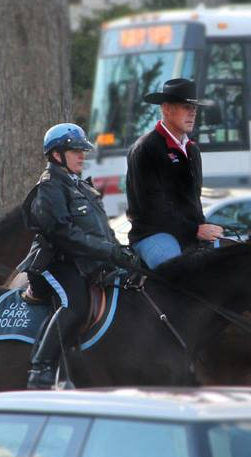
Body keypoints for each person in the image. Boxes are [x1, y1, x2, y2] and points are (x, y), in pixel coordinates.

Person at [20, 123, 138, 390]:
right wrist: (107, 251)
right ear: (57, 155)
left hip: (85, 261)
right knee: (76, 304)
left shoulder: (81, 186)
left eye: (82, 150)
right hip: (55, 262)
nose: (82, 155)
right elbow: (63, 234)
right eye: (75, 150)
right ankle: (41, 369)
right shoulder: (50, 187)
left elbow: (101, 229)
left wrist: (119, 250)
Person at [125, 78, 224, 269]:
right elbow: (151, 207)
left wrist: (203, 227)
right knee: (178, 273)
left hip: (190, 232)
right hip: (152, 234)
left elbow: (193, 202)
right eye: (186, 106)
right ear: (166, 109)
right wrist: (195, 230)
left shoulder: (193, 150)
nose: (192, 113)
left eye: (194, 108)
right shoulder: (145, 148)